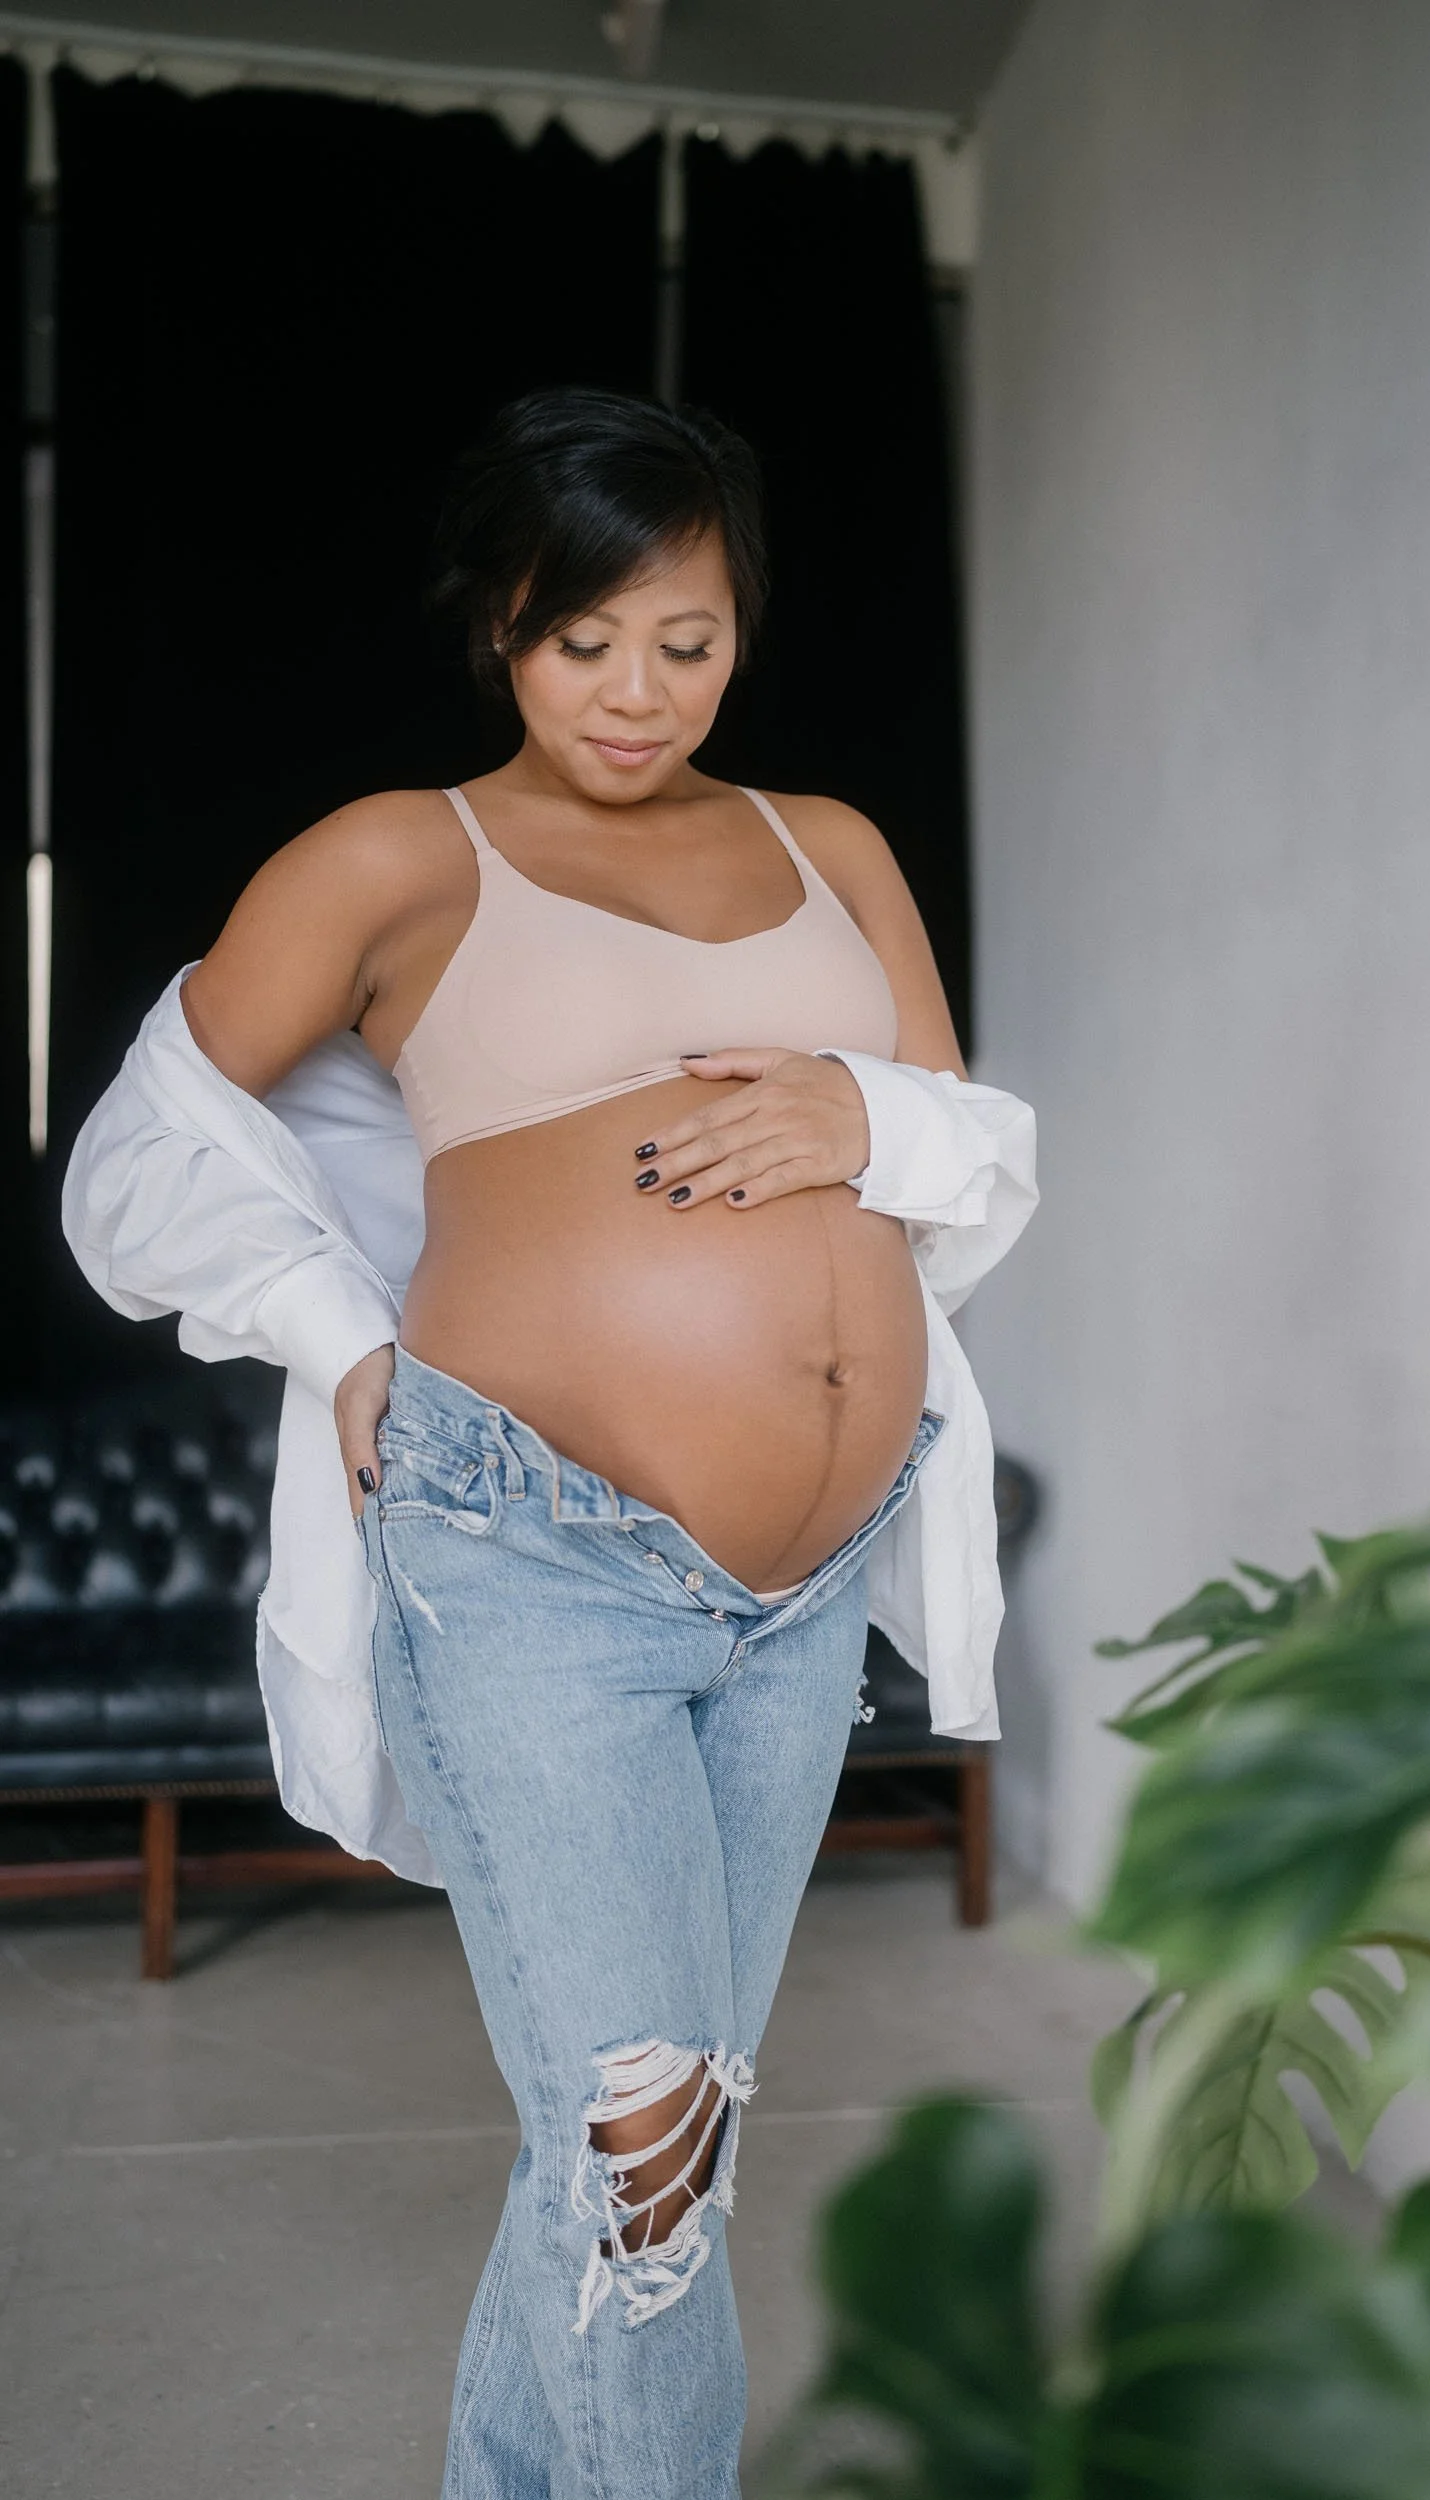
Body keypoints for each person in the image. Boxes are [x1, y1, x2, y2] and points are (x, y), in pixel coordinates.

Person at [63, 386, 1037, 2500]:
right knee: (642, 2142)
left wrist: (854, 1115)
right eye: (583, 635)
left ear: (739, 631)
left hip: (800, 1587)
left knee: (661, 2131)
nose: (635, 687)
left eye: (684, 639)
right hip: (531, 1553)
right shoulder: (400, 853)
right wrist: (335, 1336)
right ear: (501, 614)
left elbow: (975, 1152)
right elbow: (143, 1145)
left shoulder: (830, 844)